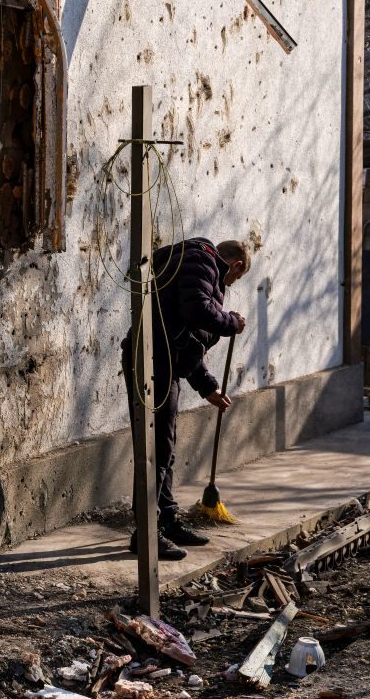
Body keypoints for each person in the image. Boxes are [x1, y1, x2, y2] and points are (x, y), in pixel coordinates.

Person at [122, 238, 249, 560]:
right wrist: (230, 323)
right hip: (152, 361)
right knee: (155, 449)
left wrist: (208, 387)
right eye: (234, 280)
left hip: (162, 360)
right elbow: (197, 310)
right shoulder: (202, 262)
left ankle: (166, 521)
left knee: (164, 446)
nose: (228, 285)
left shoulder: (193, 263)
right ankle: (147, 534)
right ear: (235, 266)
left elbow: (184, 340)